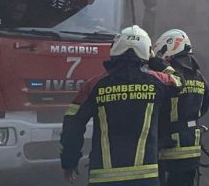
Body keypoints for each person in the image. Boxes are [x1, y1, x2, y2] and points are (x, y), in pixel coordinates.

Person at [60, 25, 182, 185]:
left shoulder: (94, 85)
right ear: (146, 51)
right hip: (145, 178)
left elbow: (72, 125)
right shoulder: (157, 82)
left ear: (115, 49)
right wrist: (154, 60)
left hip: (104, 178)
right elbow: (178, 80)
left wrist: (69, 161)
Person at [150, 29, 209, 186]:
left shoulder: (170, 76)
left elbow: (155, 107)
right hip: (192, 148)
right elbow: (207, 102)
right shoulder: (199, 76)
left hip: (168, 149)